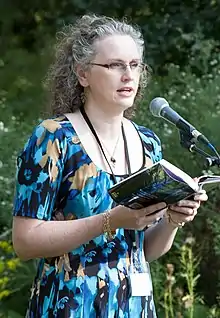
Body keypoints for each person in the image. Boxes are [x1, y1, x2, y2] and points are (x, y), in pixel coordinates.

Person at [12, 14, 208, 318]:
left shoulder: (148, 142)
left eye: (135, 65)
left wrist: (172, 219)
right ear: (83, 74)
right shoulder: (53, 137)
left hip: (135, 307)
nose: (128, 75)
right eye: (115, 65)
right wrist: (110, 220)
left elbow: (143, 251)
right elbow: (24, 241)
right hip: (70, 307)